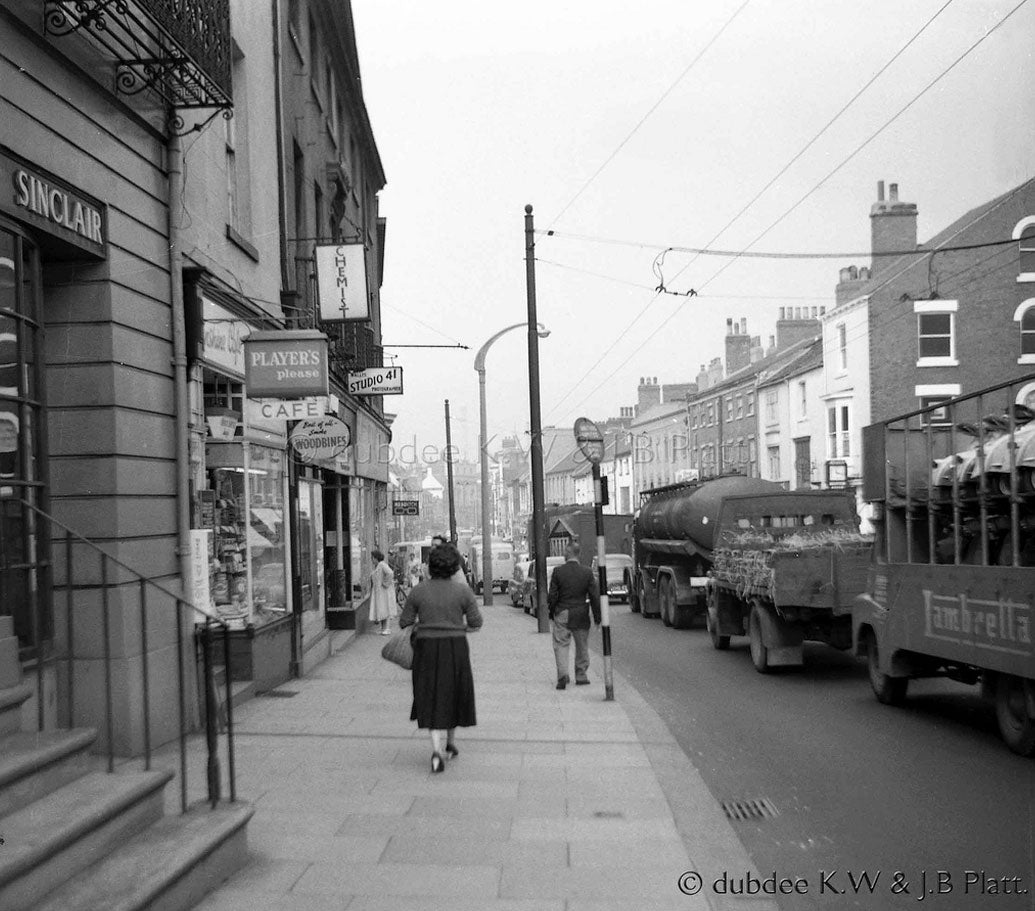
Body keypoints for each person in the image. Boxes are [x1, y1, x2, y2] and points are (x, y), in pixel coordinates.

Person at [399, 542, 483, 773]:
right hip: (455, 648)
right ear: (454, 567)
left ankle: (436, 751)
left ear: (430, 566)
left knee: (431, 695)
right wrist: (460, 628)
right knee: (453, 693)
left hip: (426, 649)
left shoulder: (419, 591)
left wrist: (422, 625)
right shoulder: (463, 592)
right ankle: (450, 743)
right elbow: (476, 622)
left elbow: (404, 621)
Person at [547, 540, 601, 690]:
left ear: (569, 553)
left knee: (561, 644)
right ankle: (581, 674)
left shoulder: (558, 572)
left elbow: (552, 596)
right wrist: (597, 617)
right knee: (582, 645)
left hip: (563, 611)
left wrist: (552, 612)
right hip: (581, 612)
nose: (563, 553)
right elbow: (595, 596)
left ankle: (563, 674)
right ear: (579, 554)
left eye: (565, 551)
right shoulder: (587, 572)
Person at [367, 549, 396, 635]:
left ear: (376, 558)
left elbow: (390, 573)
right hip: (380, 593)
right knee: (382, 609)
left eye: (372, 558)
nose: (372, 560)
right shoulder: (378, 566)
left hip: (384, 592)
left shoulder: (382, 565)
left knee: (385, 609)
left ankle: (387, 628)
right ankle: (383, 628)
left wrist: (385, 583)